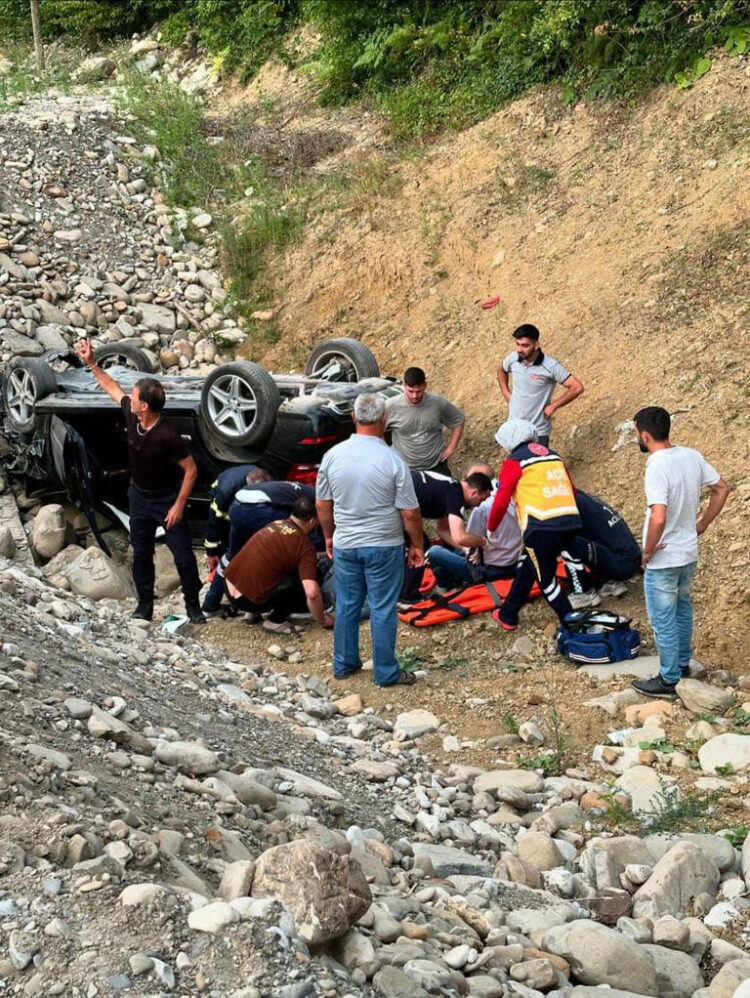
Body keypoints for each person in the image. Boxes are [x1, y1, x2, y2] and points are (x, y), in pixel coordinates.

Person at [76, 338, 204, 623]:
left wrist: (179, 506)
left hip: (168, 499)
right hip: (139, 497)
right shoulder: (133, 416)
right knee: (141, 555)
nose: (129, 399)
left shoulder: (167, 436)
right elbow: (112, 388)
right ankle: (144, 605)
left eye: (134, 397)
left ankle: (194, 607)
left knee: (183, 556)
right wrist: (92, 363)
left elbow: (191, 470)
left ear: (144, 406)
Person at [315, 393, 423, 687]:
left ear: (354, 417)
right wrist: (417, 545)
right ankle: (386, 672)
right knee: (382, 606)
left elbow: (323, 504)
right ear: (383, 420)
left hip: (346, 542)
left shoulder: (333, 456)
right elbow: (410, 512)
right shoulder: (392, 459)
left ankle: (344, 663)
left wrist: (328, 535)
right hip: (384, 544)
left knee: (347, 604)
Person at [630, 406, 729, 698]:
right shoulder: (691, 455)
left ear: (645, 435)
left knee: (663, 619)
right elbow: (722, 488)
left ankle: (669, 679)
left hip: (664, 556)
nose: (637, 437)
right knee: (682, 608)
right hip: (688, 551)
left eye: (636, 433)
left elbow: (658, 516)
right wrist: (702, 524)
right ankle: (682, 665)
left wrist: (647, 552)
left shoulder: (656, 466)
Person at [488, 418, 581, 630]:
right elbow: (572, 490)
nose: (502, 450)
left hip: (540, 526)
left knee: (545, 579)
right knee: (530, 563)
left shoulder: (515, 461)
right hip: (570, 520)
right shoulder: (553, 456)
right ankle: (508, 613)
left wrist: (491, 528)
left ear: (510, 441)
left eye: (502, 445)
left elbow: (501, 499)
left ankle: (572, 623)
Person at [224, 495, 333, 635]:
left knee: (271, 565)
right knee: (299, 580)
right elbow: (312, 594)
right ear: (312, 521)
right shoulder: (304, 547)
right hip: (248, 600)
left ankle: (251, 613)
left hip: (228, 585)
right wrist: (322, 619)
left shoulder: (275, 524)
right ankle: (275, 620)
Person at [400, 470, 493, 603]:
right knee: (419, 545)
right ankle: (407, 598)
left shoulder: (449, 487)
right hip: (391, 502)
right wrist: (482, 542)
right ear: (474, 492)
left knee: (415, 542)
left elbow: (443, 530)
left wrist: (466, 549)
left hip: (392, 492)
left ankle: (401, 591)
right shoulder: (456, 496)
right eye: (481, 500)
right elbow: (459, 536)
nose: (478, 505)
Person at [497, 324, 583, 446]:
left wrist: (554, 406)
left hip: (537, 431)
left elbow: (577, 387)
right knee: (512, 465)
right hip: (514, 428)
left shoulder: (550, 366)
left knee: (536, 465)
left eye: (525, 345)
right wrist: (505, 392)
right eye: (518, 344)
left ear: (536, 344)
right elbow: (501, 369)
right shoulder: (513, 358)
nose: (520, 349)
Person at [202, 465, 273, 614]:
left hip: (245, 514)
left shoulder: (268, 484)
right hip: (225, 506)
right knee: (229, 557)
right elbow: (215, 522)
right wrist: (211, 551)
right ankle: (212, 603)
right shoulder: (225, 493)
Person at [563, 490, 642, 609]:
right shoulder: (581, 496)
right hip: (633, 556)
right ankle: (609, 581)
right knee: (591, 534)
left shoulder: (567, 504)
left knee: (565, 539)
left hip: (621, 564)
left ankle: (584, 593)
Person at [427, 497, 523, 590]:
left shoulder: (481, 509)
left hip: (488, 572)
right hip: (513, 563)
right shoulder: (515, 500)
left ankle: (446, 586)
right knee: (455, 552)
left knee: (434, 552)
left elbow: (466, 542)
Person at [385, 366, 465, 475]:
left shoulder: (437, 403)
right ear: (404, 386)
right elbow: (373, 428)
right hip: (405, 469)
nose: (414, 396)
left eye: (418, 391)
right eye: (410, 391)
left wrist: (451, 447)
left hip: (436, 466)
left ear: (425, 386)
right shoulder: (391, 406)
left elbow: (459, 419)